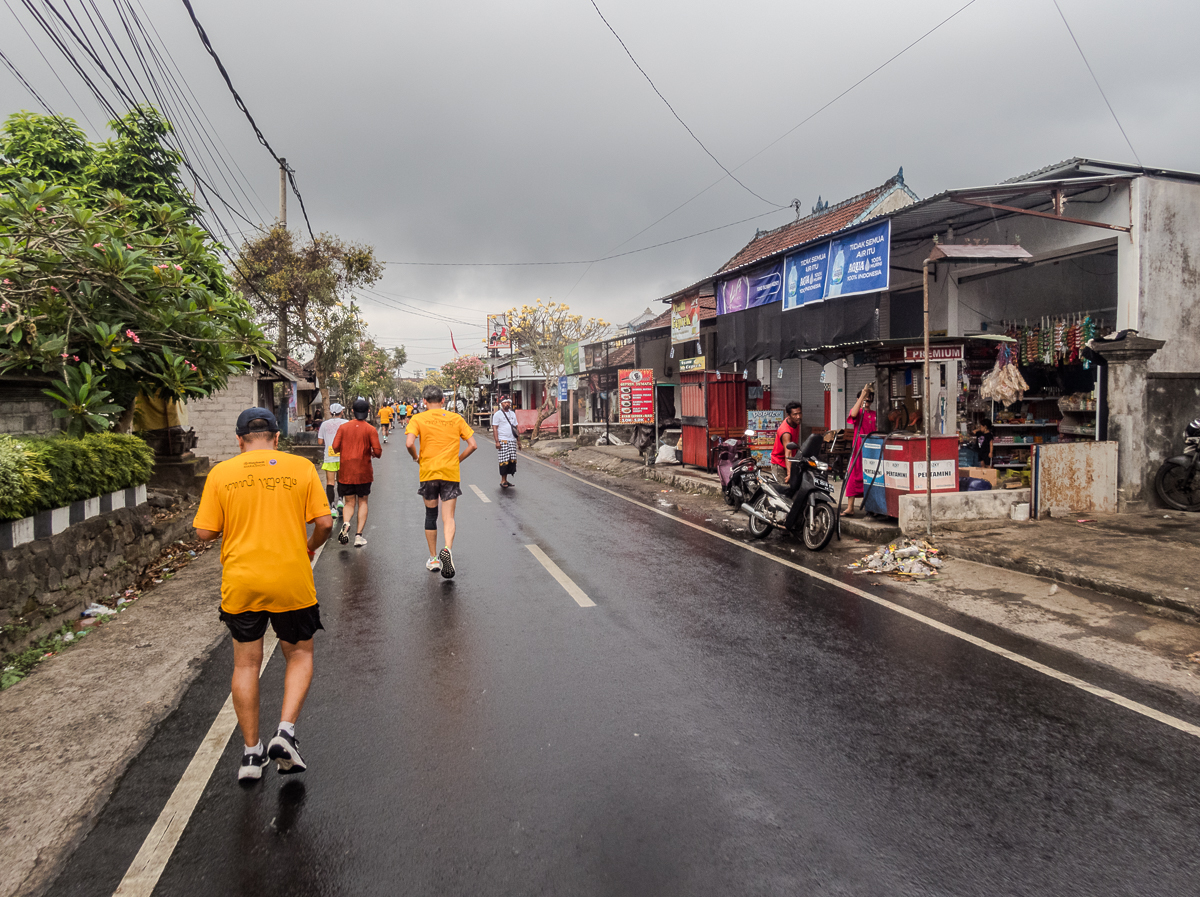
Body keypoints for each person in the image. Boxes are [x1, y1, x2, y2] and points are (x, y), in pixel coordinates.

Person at [193, 407, 332, 783]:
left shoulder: (222, 473)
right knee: (299, 653)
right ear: (276, 437)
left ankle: (251, 755)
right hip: (291, 579)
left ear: (239, 440)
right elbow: (325, 523)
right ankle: (285, 732)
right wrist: (309, 546)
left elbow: (204, 533)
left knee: (245, 665)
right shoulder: (300, 467)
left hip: (242, 582)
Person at [406, 384, 477, 578]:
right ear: (443, 401)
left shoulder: (418, 418)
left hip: (428, 473)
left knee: (431, 515)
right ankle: (447, 549)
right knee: (449, 517)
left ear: (424, 401)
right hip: (450, 473)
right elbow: (473, 445)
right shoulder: (456, 418)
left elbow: (409, 443)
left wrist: (416, 457)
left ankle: (433, 558)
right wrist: (458, 459)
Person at [332, 397, 383, 547]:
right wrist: (371, 452)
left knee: (349, 503)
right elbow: (378, 451)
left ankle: (346, 523)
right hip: (364, 472)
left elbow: (335, 447)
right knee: (363, 501)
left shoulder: (343, 428)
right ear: (368, 411)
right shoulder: (370, 429)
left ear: (352, 411)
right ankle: (359, 536)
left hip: (346, 472)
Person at [844, 384, 878, 518]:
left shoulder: (875, 415)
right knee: (853, 475)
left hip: (873, 449)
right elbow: (853, 413)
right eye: (865, 399)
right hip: (858, 448)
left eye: (869, 400)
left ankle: (872, 506)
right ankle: (850, 507)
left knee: (871, 476)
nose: (867, 402)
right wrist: (863, 394)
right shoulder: (858, 412)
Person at [316, 403, 348, 519]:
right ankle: (340, 499)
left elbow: (320, 442)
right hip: (343, 455)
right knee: (341, 480)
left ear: (330, 413)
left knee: (330, 482)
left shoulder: (324, 424)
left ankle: (333, 507)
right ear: (342, 412)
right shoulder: (346, 423)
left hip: (329, 456)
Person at [491, 396, 521, 488]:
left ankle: (506, 480)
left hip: (512, 440)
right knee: (504, 460)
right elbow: (495, 428)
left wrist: (518, 441)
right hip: (503, 440)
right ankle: (503, 480)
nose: (507, 404)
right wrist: (497, 441)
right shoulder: (498, 415)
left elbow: (516, 427)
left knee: (511, 460)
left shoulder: (512, 414)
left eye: (508, 402)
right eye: (505, 402)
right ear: (501, 404)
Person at [770, 402, 803, 484]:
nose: (798, 417)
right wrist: (789, 473)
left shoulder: (795, 422)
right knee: (784, 492)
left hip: (791, 462)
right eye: (795, 414)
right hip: (779, 464)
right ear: (788, 415)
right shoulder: (786, 432)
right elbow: (788, 453)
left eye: (800, 413)